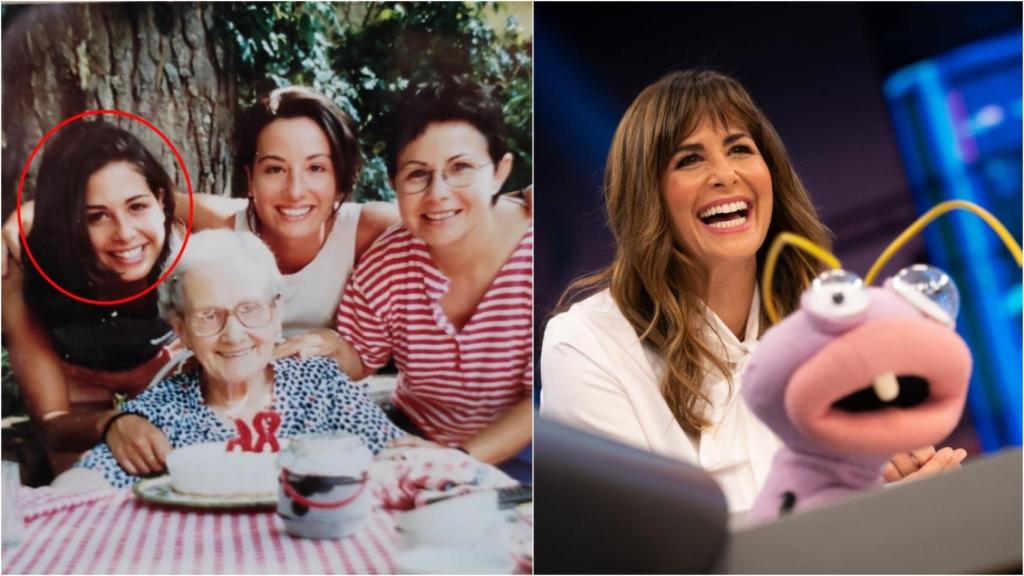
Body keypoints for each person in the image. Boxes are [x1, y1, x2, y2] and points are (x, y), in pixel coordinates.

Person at [539, 69, 965, 512]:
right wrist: (865, 510)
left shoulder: (830, 332)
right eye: (690, 159)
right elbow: (641, 549)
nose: (725, 174)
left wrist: (906, 492)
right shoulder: (586, 344)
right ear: (647, 197)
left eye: (740, 149)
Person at [64, 229, 404, 489]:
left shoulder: (321, 386)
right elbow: (84, 484)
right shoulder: (162, 411)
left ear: (276, 311)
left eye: (250, 309)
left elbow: (396, 456)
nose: (234, 334)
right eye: (208, 316)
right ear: (180, 328)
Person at [333, 79, 533, 480]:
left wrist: (460, 459)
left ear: (499, 172)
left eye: (460, 168)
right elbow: (356, 358)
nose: (438, 193)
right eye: (417, 175)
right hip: (413, 440)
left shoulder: (542, 256)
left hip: (531, 458)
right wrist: (325, 347)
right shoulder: (388, 263)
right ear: (394, 185)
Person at [1, 121, 184, 476]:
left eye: (136, 207)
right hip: (80, 378)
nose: (125, 234)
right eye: (97, 216)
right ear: (67, 223)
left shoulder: (188, 247)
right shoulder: (27, 269)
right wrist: (109, 424)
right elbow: (52, 423)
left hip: (165, 363)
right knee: (81, 478)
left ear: (160, 201)